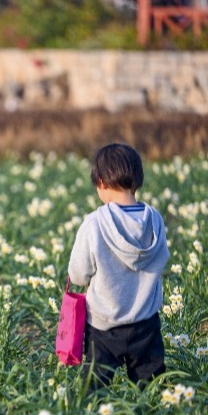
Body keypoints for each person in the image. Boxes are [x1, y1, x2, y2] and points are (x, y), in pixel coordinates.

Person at [68, 143, 169, 391]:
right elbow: (162, 258)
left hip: (104, 326)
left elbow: (78, 274)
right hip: (146, 322)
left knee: (95, 388)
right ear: (138, 179)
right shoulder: (154, 219)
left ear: (101, 182)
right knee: (152, 387)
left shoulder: (94, 224)